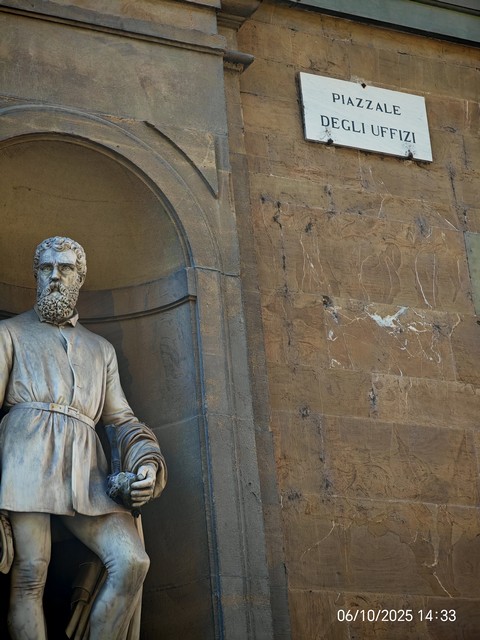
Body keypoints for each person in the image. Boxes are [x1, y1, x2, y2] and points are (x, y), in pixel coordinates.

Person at [0, 236, 167, 640]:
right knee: (30, 573)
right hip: (26, 457)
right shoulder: (9, 333)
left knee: (132, 561)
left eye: (65, 268)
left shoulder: (100, 349)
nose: (55, 276)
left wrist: (146, 462)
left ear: (79, 278)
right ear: (37, 276)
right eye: (46, 268)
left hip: (86, 470)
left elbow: (122, 419)